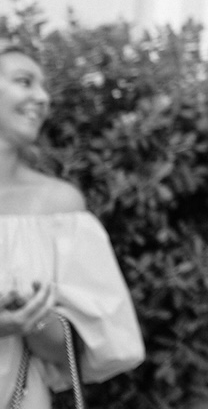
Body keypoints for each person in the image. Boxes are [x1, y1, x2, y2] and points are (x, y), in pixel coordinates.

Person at [0, 43, 145, 407]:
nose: (42, 97)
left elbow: (79, 353)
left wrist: (30, 320)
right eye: (24, 81)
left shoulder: (58, 208)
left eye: (43, 85)